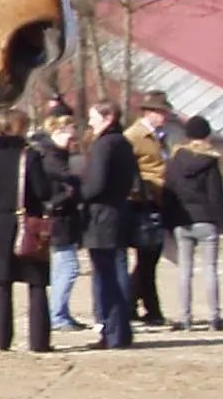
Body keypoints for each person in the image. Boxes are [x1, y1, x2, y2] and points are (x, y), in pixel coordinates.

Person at [0, 108, 51, 352]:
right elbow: (43, 192)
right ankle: (39, 342)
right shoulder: (29, 157)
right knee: (37, 283)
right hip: (27, 222)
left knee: (2, 284)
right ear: (20, 128)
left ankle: (2, 341)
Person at [80, 100, 138, 350]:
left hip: (102, 216)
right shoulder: (124, 143)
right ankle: (120, 330)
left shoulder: (105, 144)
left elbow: (97, 183)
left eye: (93, 116)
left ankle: (112, 332)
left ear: (108, 117)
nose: (90, 122)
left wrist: (77, 193)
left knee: (105, 277)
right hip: (118, 211)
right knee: (115, 272)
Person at [163, 113, 222, 331]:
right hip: (206, 220)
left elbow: (168, 192)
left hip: (182, 221)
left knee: (184, 270)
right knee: (210, 269)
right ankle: (214, 316)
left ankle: (185, 317)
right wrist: (220, 223)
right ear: (206, 136)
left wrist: (169, 222)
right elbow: (215, 195)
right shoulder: (210, 162)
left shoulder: (175, 160)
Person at [125, 90, 174, 326]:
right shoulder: (135, 136)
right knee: (147, 256)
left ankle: (133, 305)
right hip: (143, 201)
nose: (165, 116)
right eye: (161, 112)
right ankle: (148, 309)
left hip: (158, 199)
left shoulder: (159, 136)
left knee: (148, 258)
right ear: (149, 112)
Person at [37, 113, 87, 332]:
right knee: (69, 267)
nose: (72, 142)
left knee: (61, 268)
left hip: (63, 217)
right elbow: (59, 186)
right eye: (69, 136)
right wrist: (72, 190)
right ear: (57, 132)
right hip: (58, 219)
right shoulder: (51, 159)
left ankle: (59, 313)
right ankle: (57, 315)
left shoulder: (55, 156)